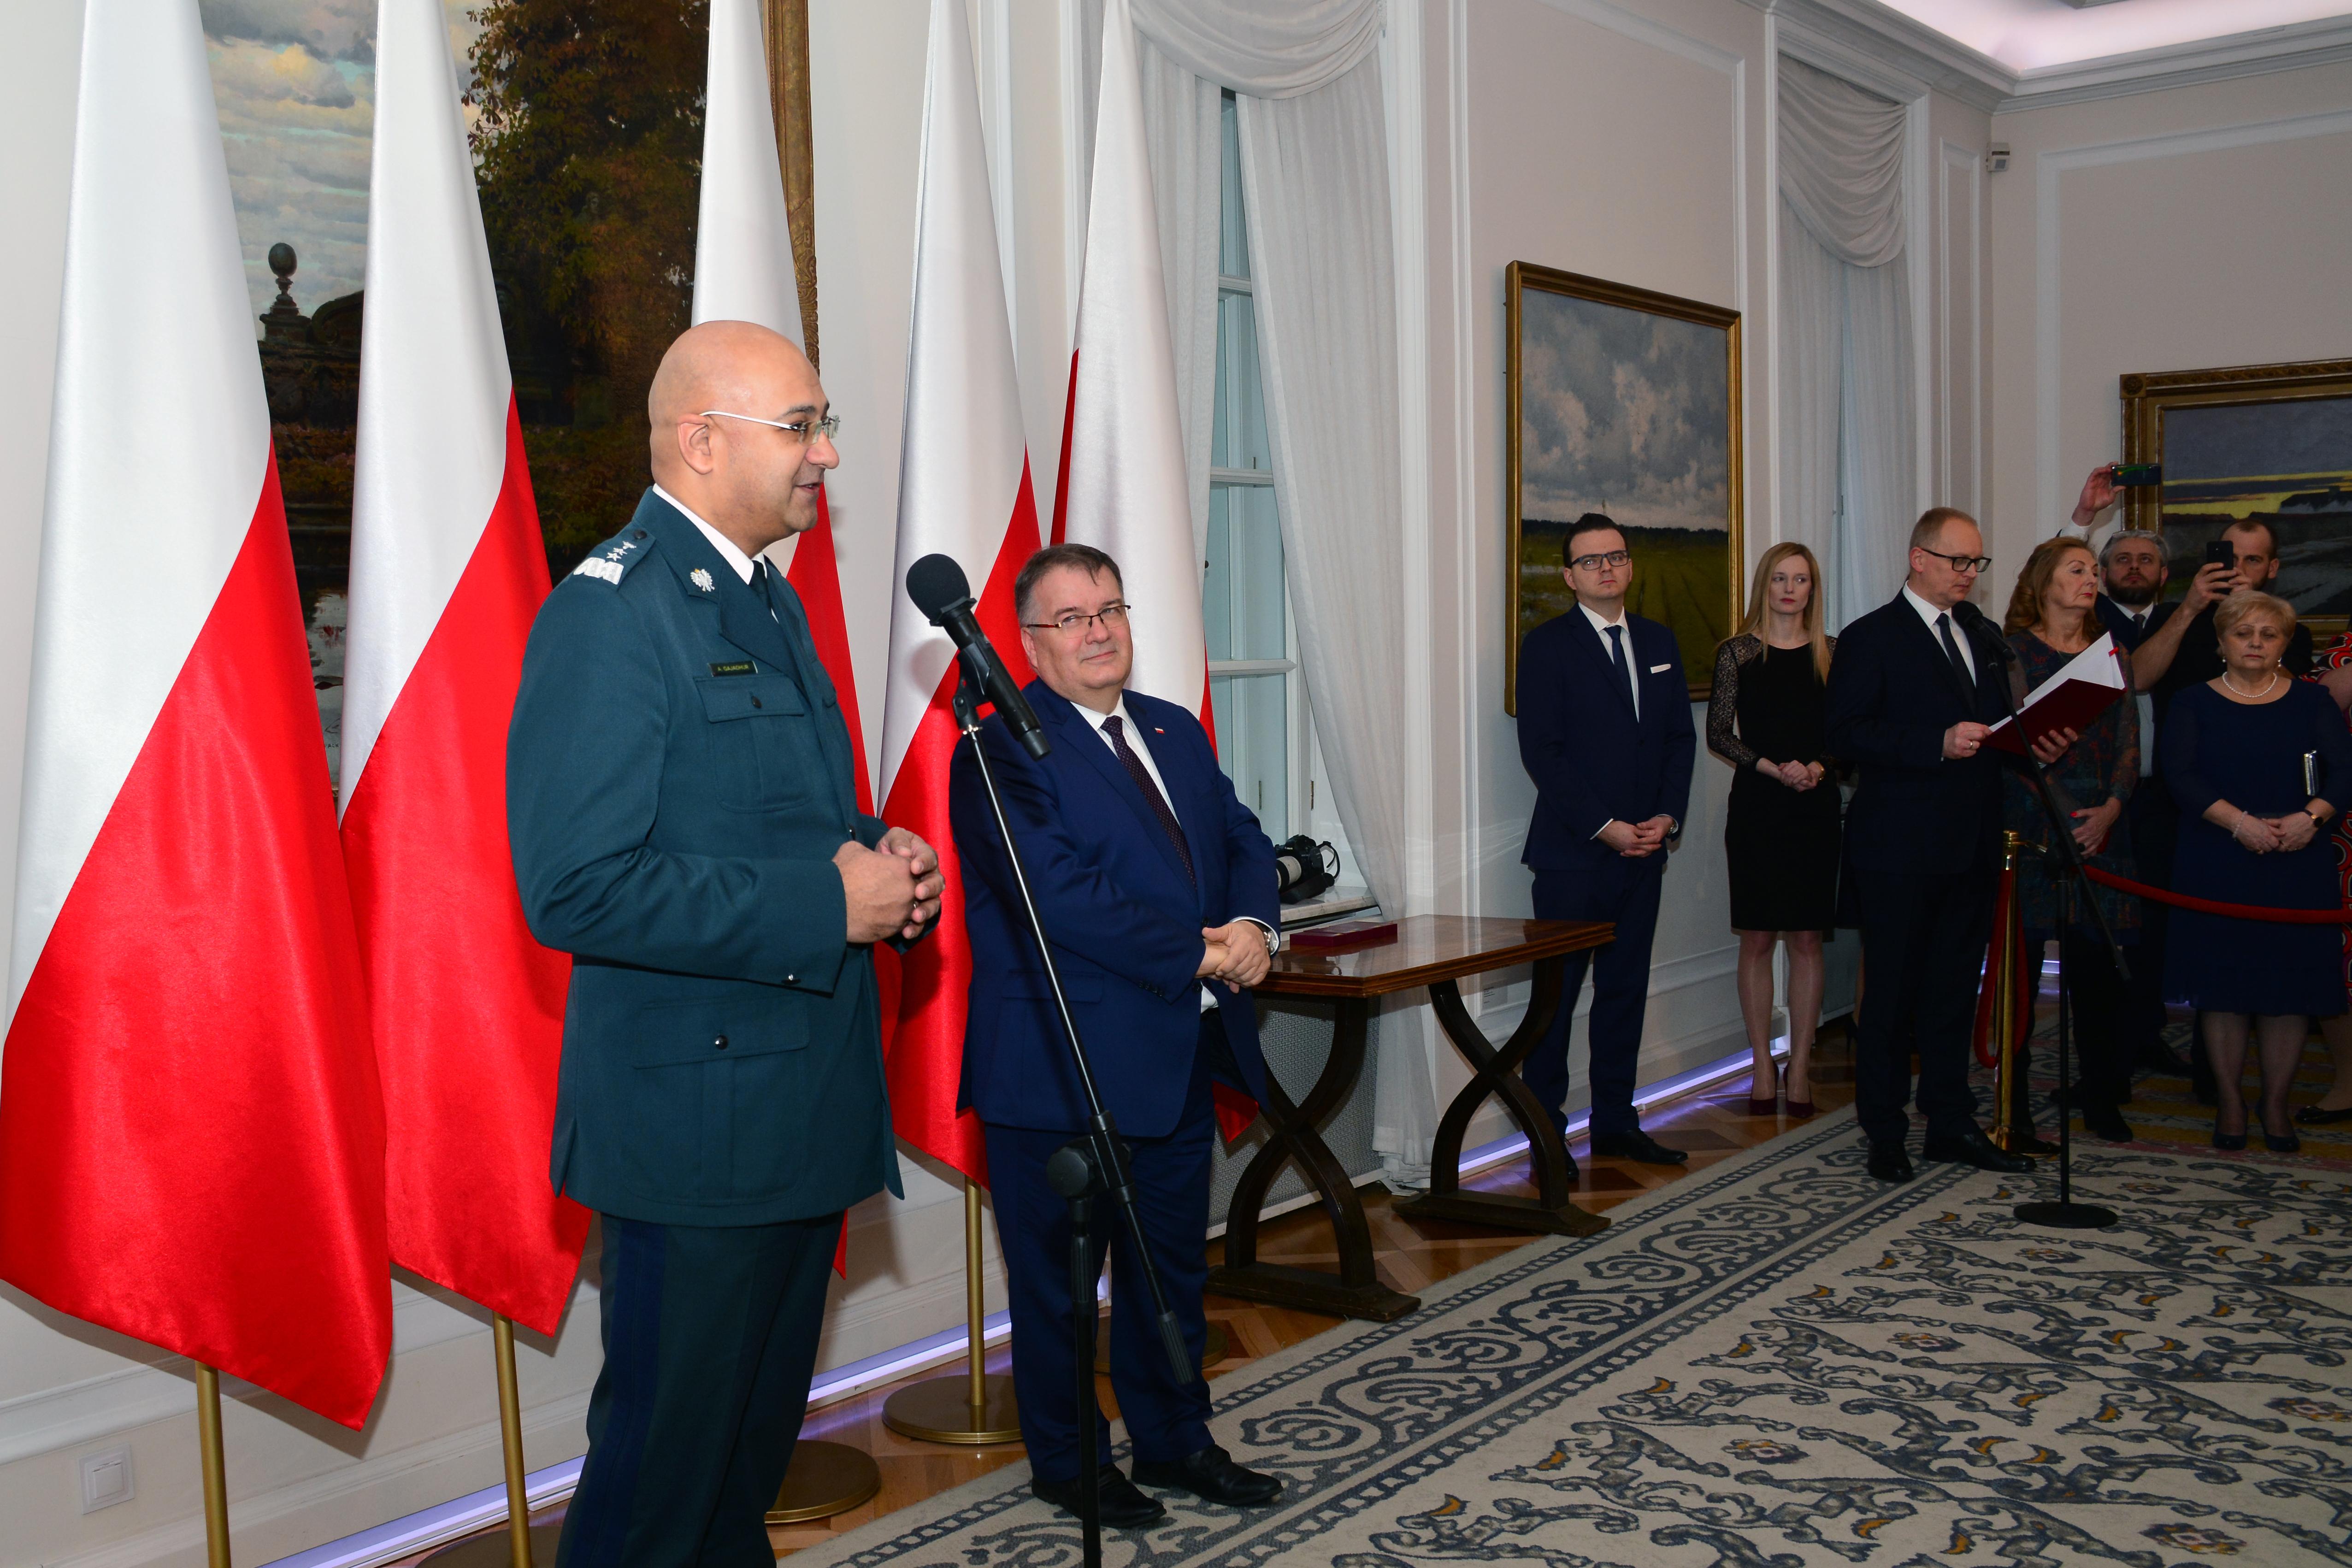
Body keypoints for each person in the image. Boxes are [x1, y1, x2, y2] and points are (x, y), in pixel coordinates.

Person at [507, 320, 944, 1568]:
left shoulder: (763, 595)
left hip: (793, 1110)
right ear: (701, 441)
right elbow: (576, 889)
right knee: (660, 1488)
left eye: (823, 424)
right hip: (697, 1135)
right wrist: (825, 906)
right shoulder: (612, 613)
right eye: (801, 427)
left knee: (738, 1473)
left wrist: (875, 857)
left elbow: (766, 820)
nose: (827, 454)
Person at [950, 544, 1283, 1530]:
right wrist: (1202, 953)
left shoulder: (1173, 729)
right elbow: (1062, 897)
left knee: (1168, 1272)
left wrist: (1255, 927)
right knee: (1059, 1291)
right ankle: (1071, 1465)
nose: (1097, 631)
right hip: (1058, 1070)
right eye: (1071, 618)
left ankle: (1177, 1440)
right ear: (1026, 644)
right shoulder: (996, 752)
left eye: (1109, 610)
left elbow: (1242, 839)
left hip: (1174, 1058)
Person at [1824, 507, 2074, 1184]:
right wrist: (1932, 743)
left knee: (1953, 993)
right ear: (1919, 558)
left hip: (1970, 844)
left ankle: (1949, 1122)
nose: (1968, 574)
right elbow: (1843, 733)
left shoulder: (1978, 633)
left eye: (1976, 563)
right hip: (1898, 848)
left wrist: (2035, 744)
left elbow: (1992, 732)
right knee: (1891, 998)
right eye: (1958, 561)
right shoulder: (1871, 636)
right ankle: (1884, 1131)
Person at [1516, 513, 1698, 1167]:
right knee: (1555, 1003)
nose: (1605, 569)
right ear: (1569, 577)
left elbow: (1678, 739)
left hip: (1644, 853)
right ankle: (1545, 1139)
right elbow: (1543, 752)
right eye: (1590, 561)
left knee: (1623, 994)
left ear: (1630, 565)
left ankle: (1616, 1123)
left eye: (1615, 556)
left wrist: (1665, 818)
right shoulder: (1546, 646)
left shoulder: (1657, 640)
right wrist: (1605, 827)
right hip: (1572, 858)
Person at [2163, 590, 2352, 1152]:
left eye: (2269, 634)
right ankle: (2230, 1103)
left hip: (2299, 857)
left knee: (2287, 990)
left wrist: (2310, 819)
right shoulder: (2192, 701)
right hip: (2218, 857)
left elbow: (2345, 772)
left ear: (2285, 644)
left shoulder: (2314, 701)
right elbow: (2179, 774)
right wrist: (2240, 824)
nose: (2255, 643)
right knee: (2224, 989)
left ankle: (2275, 1104)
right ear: (2222, 642)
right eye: (2243, 633)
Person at [2001, 537, 2141, 1143]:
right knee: (2022, 974)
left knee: (2097, 976)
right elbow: (2010, 747)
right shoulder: (2011, 653)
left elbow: (2129, 741)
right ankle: (2013, 1105)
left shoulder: (2111, 651)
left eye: (2092, 571)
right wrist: (2063, 812)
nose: (2092, 579)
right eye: (2076, 570)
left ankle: (2101, 1095)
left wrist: (2110, 809)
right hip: (2033, 820)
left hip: (2101, 823)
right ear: (2042, 583)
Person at [1707, 541, 1838, 1118]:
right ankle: (1762, 1064)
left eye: (1800, 579)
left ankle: (1800, 1065)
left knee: (1807, 939)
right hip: (1758, 806)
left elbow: (1846, 734)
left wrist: (1817, 768)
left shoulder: (1834, 653)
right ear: (1765, 584)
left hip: (1815, 806)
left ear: (1813, 588)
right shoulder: (1737, 653)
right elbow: (1719, 733)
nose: (1789, 589)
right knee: (1758, 939)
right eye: (1780, 578)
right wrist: (1772, 767)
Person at [2093, 527, 2190, 1078]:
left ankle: (2148, 1034)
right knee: (2105, 928)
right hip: (2104, 797)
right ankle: (2107, 1055)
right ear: (2104, 573)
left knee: (2156, 925)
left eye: (2146, 560)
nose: (2134, 567)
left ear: (2164, 574)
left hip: (2165, 799)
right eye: (2123, 559)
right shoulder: (2087, 622)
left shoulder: (2187, 622)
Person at [2298, 635, 2352, 1127]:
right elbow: (2313, 707)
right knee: (2342, 958)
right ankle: (2348, 1082)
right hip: (2346, 830)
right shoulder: (2344, 653)